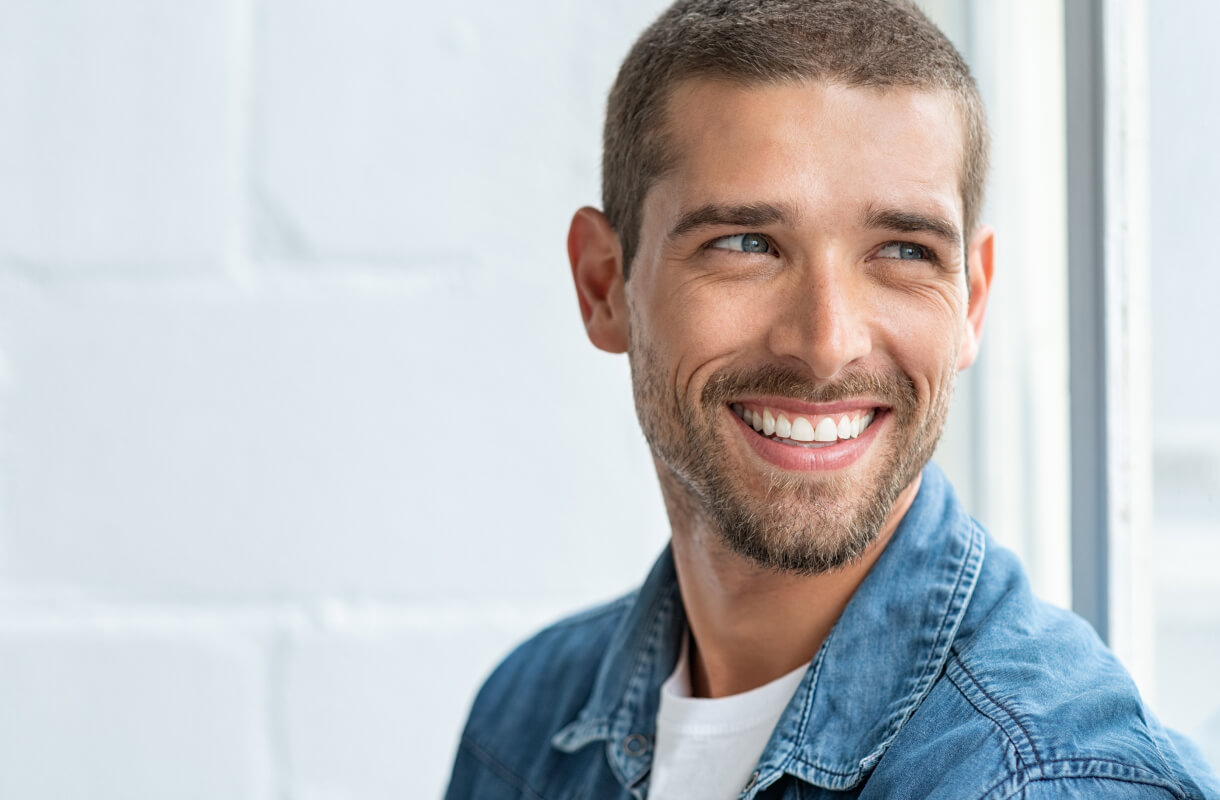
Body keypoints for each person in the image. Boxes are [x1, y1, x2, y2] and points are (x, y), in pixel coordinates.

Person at [445, 1, 1219, 797]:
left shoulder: (1045, 782)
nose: (825, 343)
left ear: (971, 303)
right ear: (605, 285)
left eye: (902, 251)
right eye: (746, 245)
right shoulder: (524, 723)